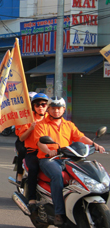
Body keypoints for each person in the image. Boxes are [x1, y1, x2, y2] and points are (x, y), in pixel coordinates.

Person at [34, 96, 105, 226]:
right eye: (53, 108)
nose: (56, 111)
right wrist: (48, 151)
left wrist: (95, 145)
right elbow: (40, 142)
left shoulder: (68, 125)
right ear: (48, 109)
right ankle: (59, 213)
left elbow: (80, 137)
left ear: (64, 110)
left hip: (68, 158)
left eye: (59, 108)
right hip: (49, 159)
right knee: (57, 176)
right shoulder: (41, 124)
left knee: (84, 173)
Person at [14, 93, 48, 211]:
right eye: (38, 105)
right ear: (33, 106)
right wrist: (31, 128)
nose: (41, 107)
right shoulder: (26, 118)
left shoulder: (51, 118)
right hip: (33, 151)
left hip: (50, 152)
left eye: (43, 104)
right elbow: (22, 138)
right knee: (33, 168)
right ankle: (32, 199)